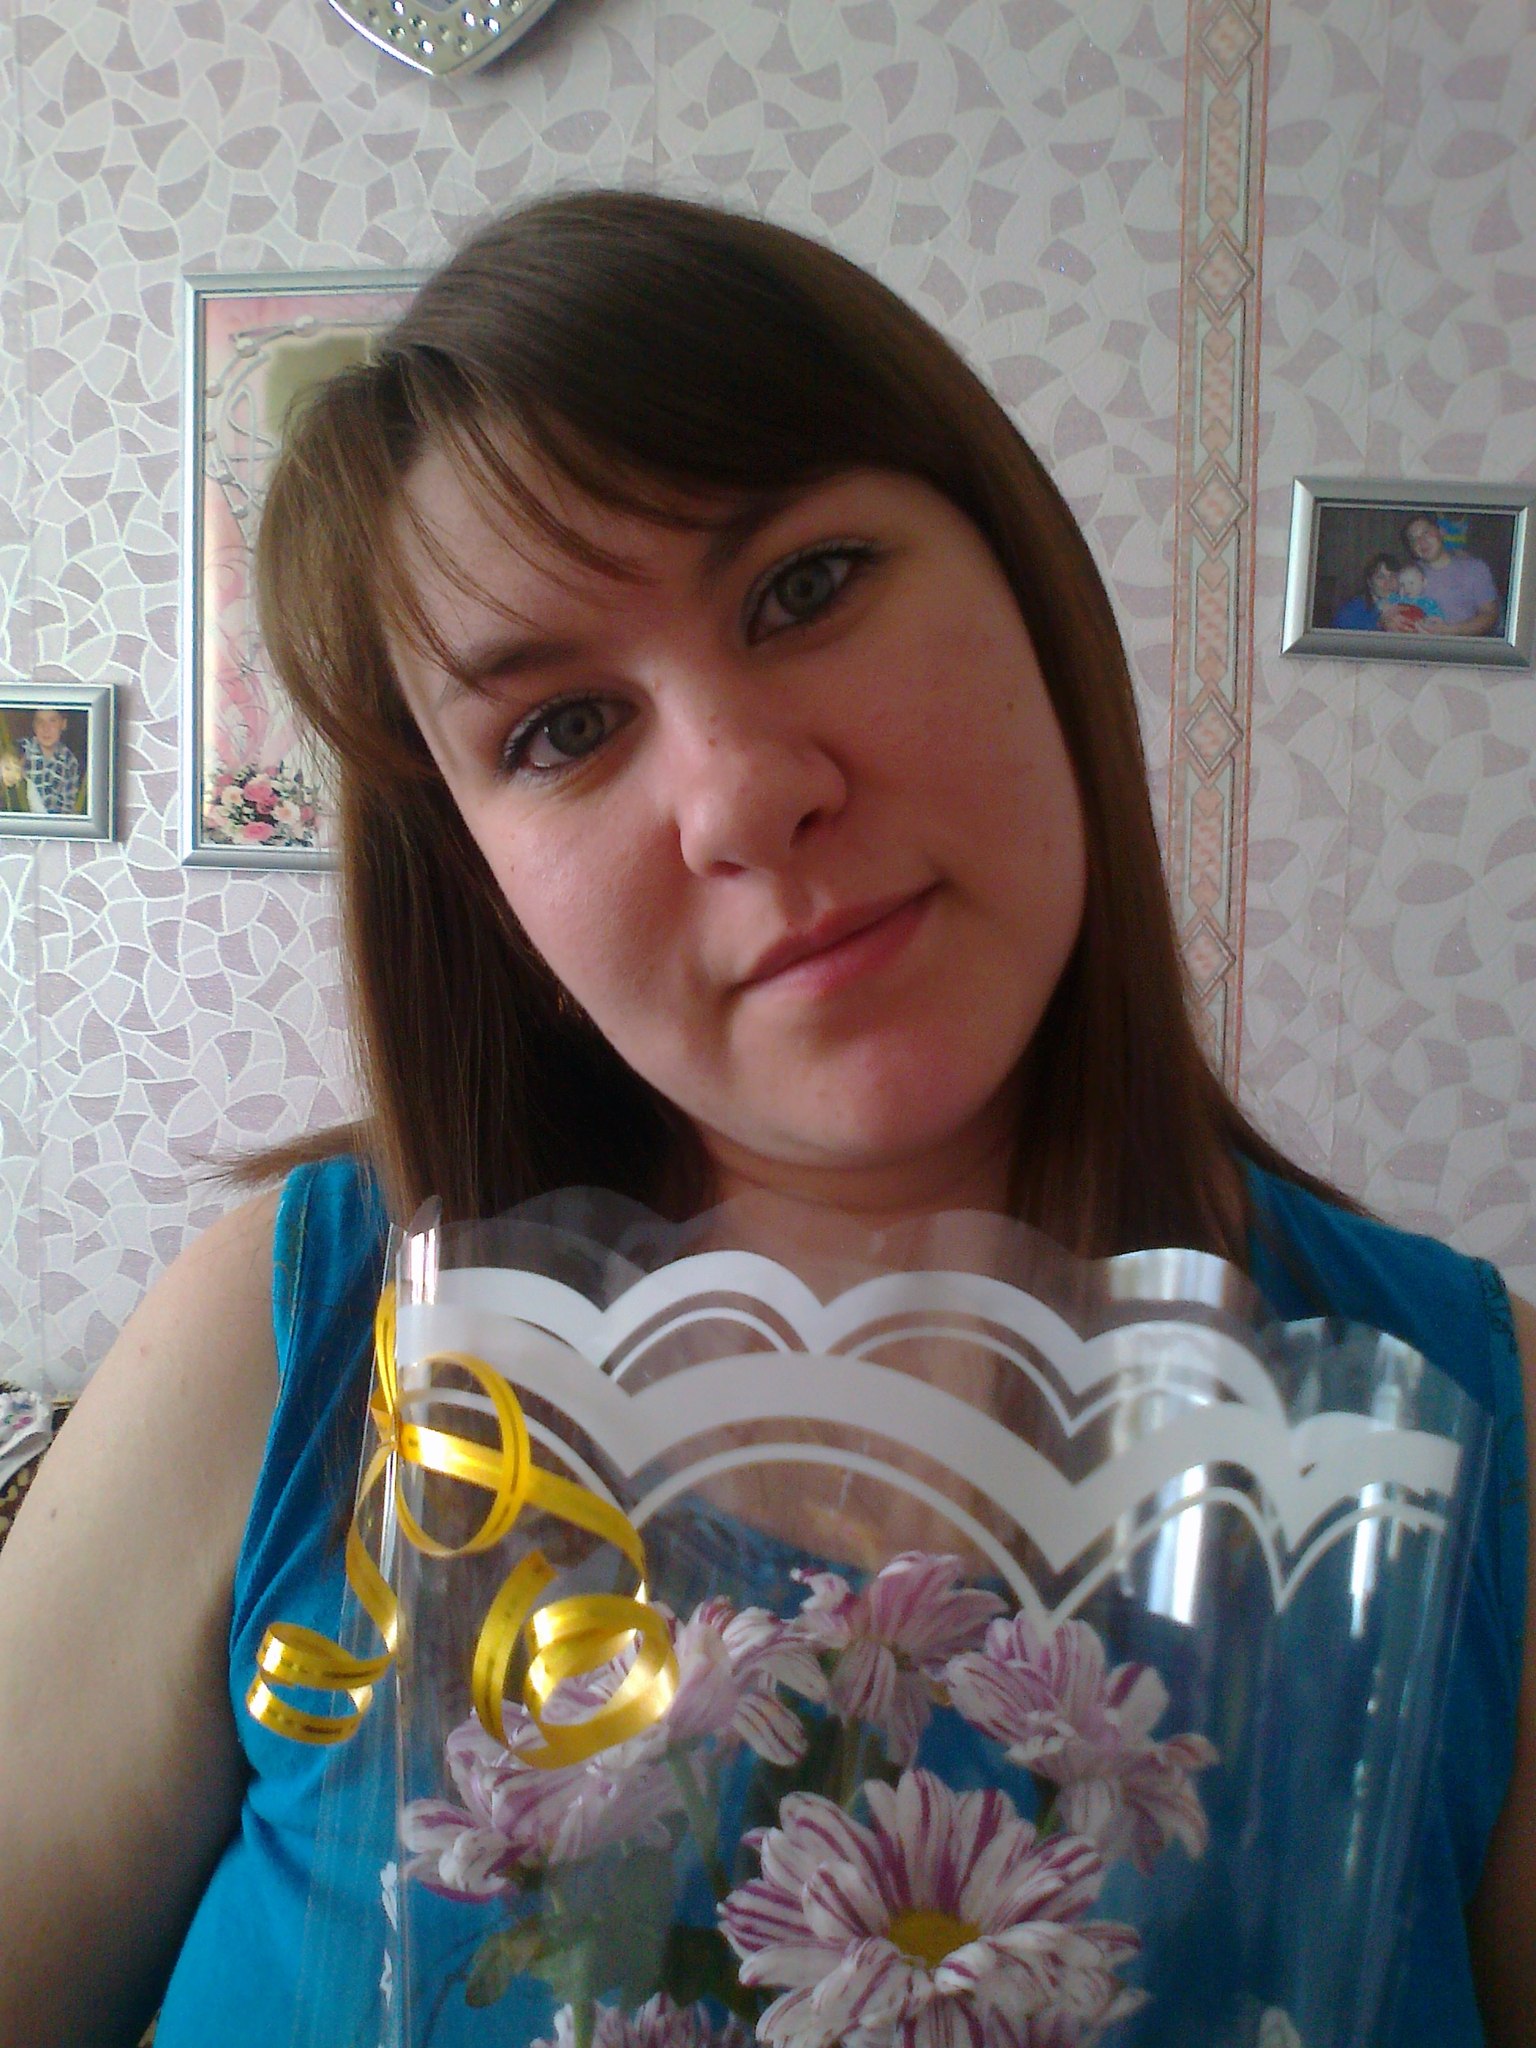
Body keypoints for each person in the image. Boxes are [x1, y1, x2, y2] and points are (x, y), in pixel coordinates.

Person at [0, 192, 1530, 2048]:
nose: (739, 798)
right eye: (563, 729)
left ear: (1032, 598)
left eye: (805, 588)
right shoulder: (291, 1343)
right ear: (489, 890)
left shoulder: (1471, 1424)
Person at [1384, 514, 1502, 636]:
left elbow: (1490, 615)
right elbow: (1386, 605)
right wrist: (1385, 621)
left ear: (1441, 532)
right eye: (1414, 539)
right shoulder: (1407, 573)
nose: (1421, 542)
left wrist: (1449, 631)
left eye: (1426, 533)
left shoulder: (1475, 568)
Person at [17, 705, 81, 813]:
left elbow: (68, 804)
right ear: (34, 726)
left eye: (52, 721)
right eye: (40, 722)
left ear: (63, 724)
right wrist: (9, 756)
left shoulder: (70, 761)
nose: (46, 728)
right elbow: (11, 752)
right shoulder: (25, 747)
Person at [1330, 549, 1400, 630]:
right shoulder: (1350, 611)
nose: (1388, 582)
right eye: (1380, 577)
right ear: (1370, 582)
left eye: (1393, 576)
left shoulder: (1406, 605)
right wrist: (1379, 625)